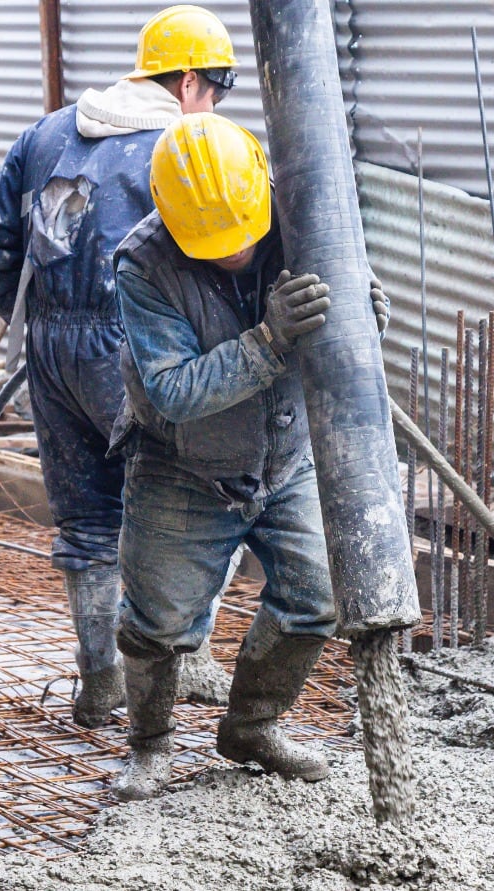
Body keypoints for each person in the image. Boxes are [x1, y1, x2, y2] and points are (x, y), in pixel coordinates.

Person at [0, 6, 242, 727]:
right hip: (138, 350)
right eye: (214, 90)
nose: (212, 106)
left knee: (88, 521)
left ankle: (99, 683)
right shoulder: (185, 145)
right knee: (202, 503)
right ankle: (184, 660)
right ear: (188, 80)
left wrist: (47, 319)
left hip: (52, 355)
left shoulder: (48, 133)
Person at [109, 112, 390, 800]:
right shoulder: (142, 265)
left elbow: (346, 304)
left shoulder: (300, 218)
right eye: (215, 244)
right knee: (159, 620)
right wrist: (269, 339)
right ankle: (149, 745)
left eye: (243, 235)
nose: (235, 252)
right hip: (184, 465)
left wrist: (360, 311)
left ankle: (252, 727)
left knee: (320, 593)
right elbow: (172, 389)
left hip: (285, 456)